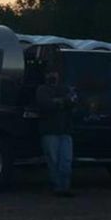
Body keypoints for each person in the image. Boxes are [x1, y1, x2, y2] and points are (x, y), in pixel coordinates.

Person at [35, 69, 77, 197]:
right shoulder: (42, 89)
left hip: (65, 131)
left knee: (66, 161)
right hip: (49, 131)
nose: (52, 75)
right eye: (49, 73)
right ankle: (57, 187)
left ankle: (65, 187)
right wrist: (63, 102)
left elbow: (73, 102)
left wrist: (59, 102)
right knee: (53, 161)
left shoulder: (66, 88)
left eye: (54, 72)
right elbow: (45, 105)